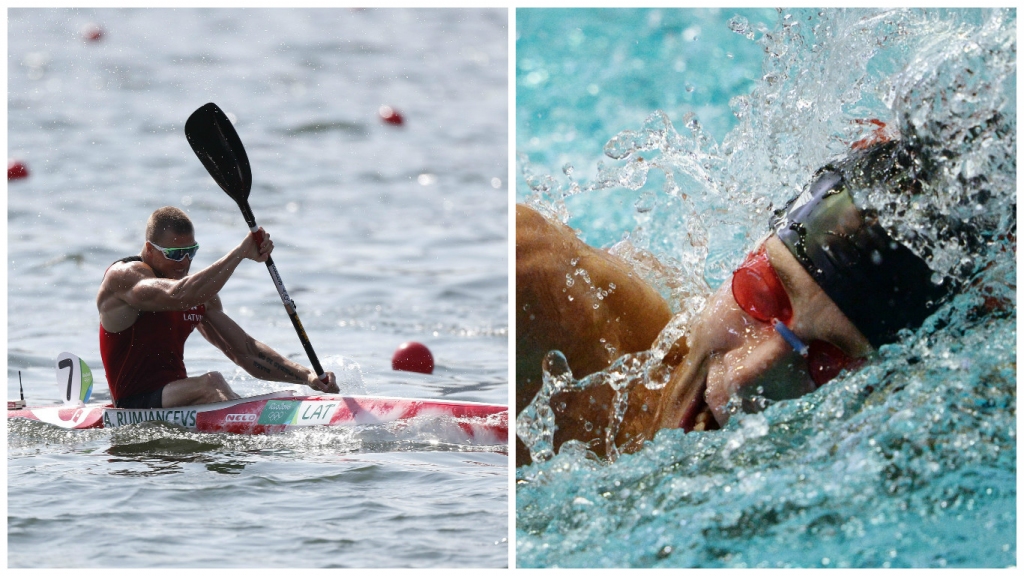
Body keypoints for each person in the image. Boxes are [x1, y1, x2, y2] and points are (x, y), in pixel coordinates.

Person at [517, 134, 980, 465]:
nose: (746, 377)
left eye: (826, 365)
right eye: (761, 295)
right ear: (747, 253)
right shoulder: (558, 309)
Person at [96, 206, 339, 409]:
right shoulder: (124, 277)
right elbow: (176, 296)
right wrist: (240, 253)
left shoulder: (200, 293)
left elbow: (245, 352)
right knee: (212, 382)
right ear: (149, 249)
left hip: (177, 399)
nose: (185, 262)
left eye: (191, 251)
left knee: (214, 386)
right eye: (176, 253)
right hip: (132, 404)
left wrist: (306, 376)